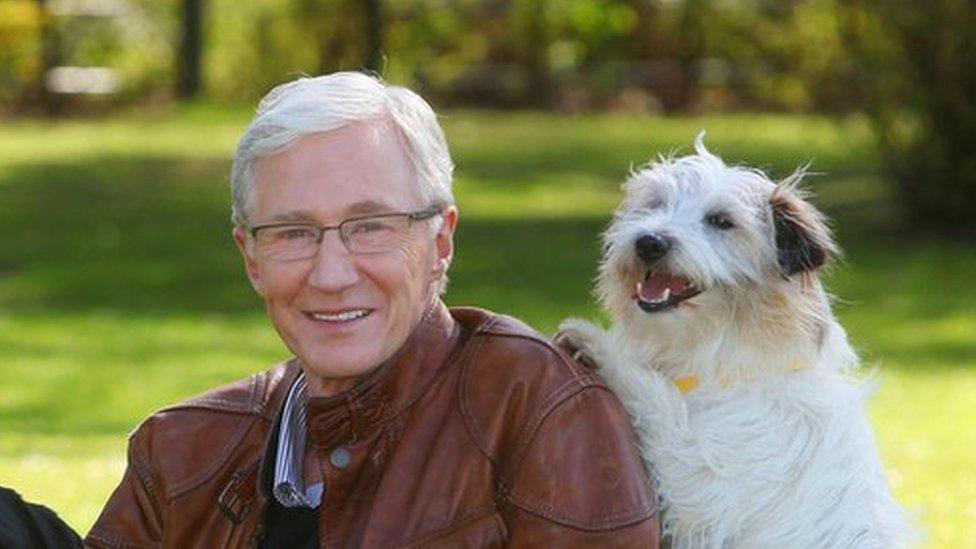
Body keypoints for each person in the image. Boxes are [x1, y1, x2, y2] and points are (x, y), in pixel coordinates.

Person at [85, 72, 659, 547]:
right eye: (292, 232)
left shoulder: (533, 406)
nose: (332, 275)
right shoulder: (182, 451)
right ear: (251, 256)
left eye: (370, 227)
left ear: (440, 243)